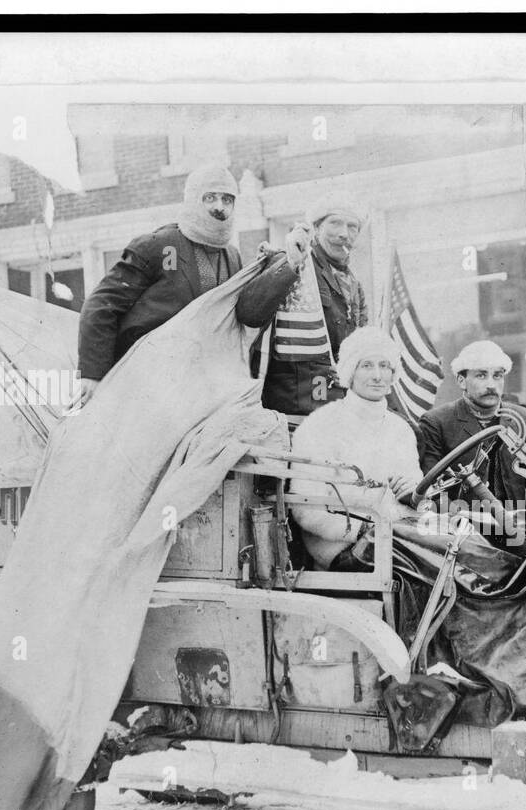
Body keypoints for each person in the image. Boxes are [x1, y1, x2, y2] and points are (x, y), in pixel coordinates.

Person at [75, 164, 243, 405]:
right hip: (147, 380)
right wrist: (92, 374)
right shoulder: (159, 245)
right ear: (193, 200)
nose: (219, 206)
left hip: (201, 384)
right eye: (210, 198)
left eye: (227, 199)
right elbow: (101, 305)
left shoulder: (233, 257)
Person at [289, 328, 423, 570]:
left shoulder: (401, 429)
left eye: (384, 366)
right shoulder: (321, 425)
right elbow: (304, 509)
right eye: (367, 365)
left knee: (456, 546)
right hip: (342, 548)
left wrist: (414, 495)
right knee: (438, 564)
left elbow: (416, 498)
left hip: (396, 537)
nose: (377, 375)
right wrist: (364, 529)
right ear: (350, 371)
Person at [235, 195, 369, 417]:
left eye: (352, 226)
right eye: (335, 223)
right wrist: (291, 264)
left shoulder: (353, 284)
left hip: (338, 405)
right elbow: (249, 312)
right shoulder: (293, 259)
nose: (344, 233)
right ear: (316, 228)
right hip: (292, 408)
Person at [417, 340, 526, 549]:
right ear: (461, 380)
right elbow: (431, 492)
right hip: (462, 539)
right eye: (481, 375)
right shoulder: (437, 422)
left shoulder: (520, 418)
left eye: (497, 375)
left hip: (518, 535)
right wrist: (464, 528)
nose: (491, 384)